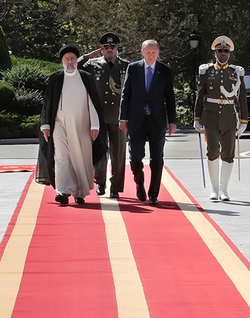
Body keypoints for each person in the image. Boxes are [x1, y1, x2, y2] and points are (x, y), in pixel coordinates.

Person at [36, 44, 106, 205]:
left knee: (80, 158)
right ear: (62, 60)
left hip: (82, 125)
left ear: (76, 60)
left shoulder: (86, 77)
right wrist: (45, 124)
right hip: (59, 124)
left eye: (73, 58)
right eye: (67, 59)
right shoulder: (55, 78)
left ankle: (79, 192)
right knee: (61, 157)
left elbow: (93, 102)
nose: (70, 62)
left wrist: (95, 124)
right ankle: (63, 191)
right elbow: (48, 103)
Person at [119, 39, 177, 205]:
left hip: (157, 120)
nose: (151, 55)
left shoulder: (164, 70)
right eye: (148, 52)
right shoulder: (133, 68)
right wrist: (123, 118)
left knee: (157, 159)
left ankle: (154, 194)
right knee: (136, 157)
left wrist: (172, 121)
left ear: (158, 52)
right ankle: (139, 184)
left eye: (154, 52)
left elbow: (170, 98)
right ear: (142, 52)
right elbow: (126, 94)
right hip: (136, 120)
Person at [193, 36, 248, 202]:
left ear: (229, 53)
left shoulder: (236, 72)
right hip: (209, 116)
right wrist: (197, 117)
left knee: (228, 154)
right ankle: (214, 188)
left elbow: (242, 97)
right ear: (215, 53)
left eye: (226, 51)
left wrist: (244, 120)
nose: (223, 53)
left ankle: (224, 189)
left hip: (229, 117)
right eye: (220, 51)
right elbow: (200, 94)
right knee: (212, 151)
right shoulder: (207, 71)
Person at [77, 32, 129, 198]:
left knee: (118, 154)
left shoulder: (126, 65)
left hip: (119, 116)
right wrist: (90, 54)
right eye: (105, 47)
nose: (109, 50)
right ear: (102, 49)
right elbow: (77, 66)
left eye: (112, 47)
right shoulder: (93, 64)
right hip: (99, 116)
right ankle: (100, 183)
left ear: (117, 48)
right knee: (100, 151)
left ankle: (116, 187)